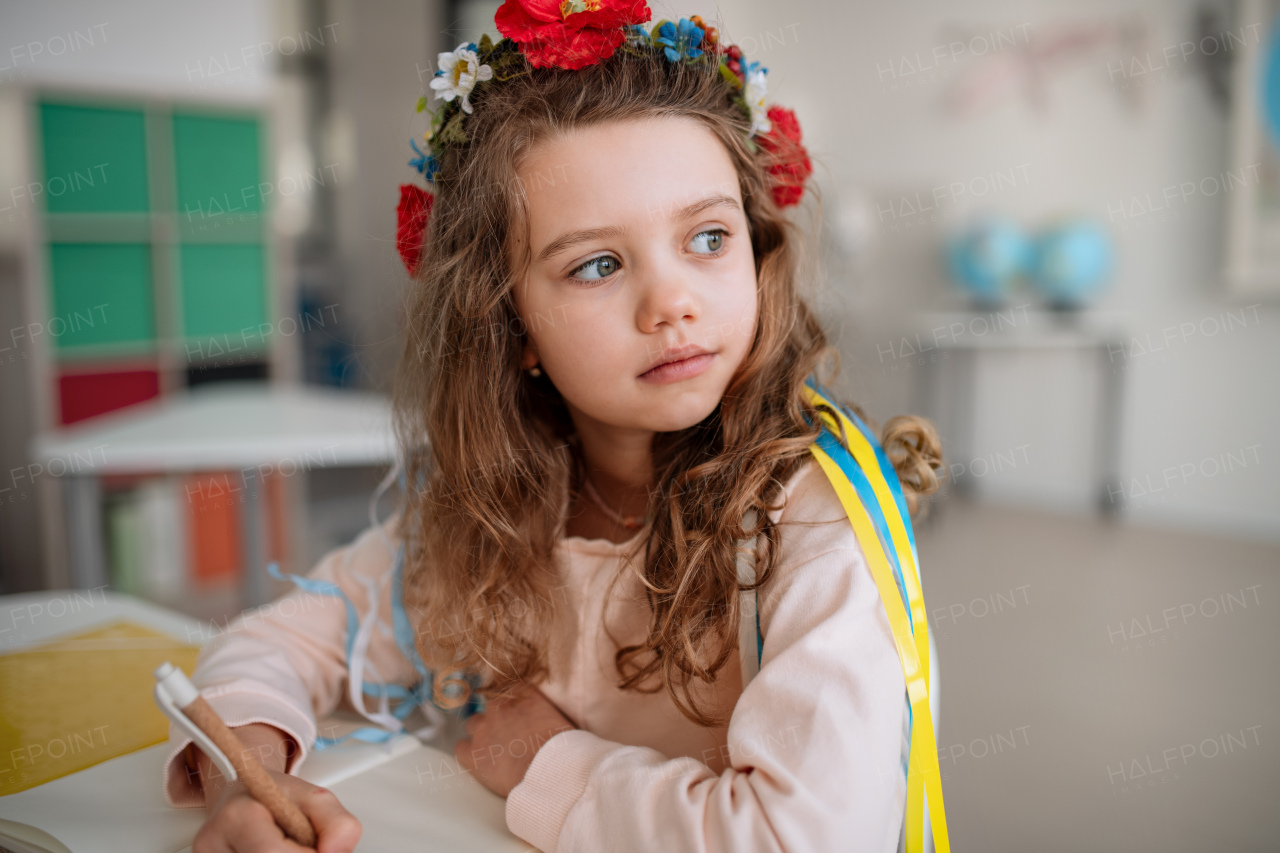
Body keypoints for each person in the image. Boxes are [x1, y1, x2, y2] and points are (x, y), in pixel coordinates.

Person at [162, 5, 946, 851]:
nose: (671, 301)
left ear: (757, 254)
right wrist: (250, 771)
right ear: (513, 327)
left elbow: (805, 837)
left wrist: (546, 761)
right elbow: (276, 641)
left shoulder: (815, 518)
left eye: (709, 237)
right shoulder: (488, 516)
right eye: (598, 264)